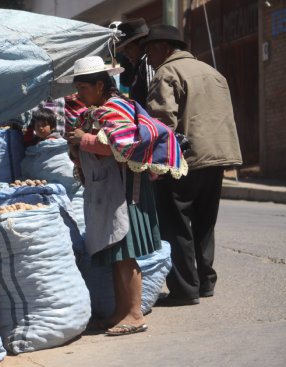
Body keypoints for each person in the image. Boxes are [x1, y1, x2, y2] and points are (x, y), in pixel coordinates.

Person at [58, 56, 164, 336]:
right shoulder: (97, 110)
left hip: (127, 190)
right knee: (117, 253)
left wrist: (84, 140)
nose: (79, 94)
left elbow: (124, 148)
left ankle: (135, 315)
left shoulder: (116, 107)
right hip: (110, 189)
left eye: (83, 88)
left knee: (126, 253)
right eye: (77, 88)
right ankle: (121, 311)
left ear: (100, 84)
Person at [144, 25, 242, 305]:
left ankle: (185, 290)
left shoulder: (167, 72)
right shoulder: (213, 72)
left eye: (150, 50)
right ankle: (206, 283)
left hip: (184, 160)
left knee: (176, 225)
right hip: (217, 157)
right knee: (204, 223)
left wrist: (154, 162)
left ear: (165, 48)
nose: (149, 57)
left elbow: (162, 122)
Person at [114, 18, 154, 107]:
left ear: (142, 44)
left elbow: (154, 100)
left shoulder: (148, 63)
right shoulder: (138, 67)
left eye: (129, 48)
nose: (125, 54)